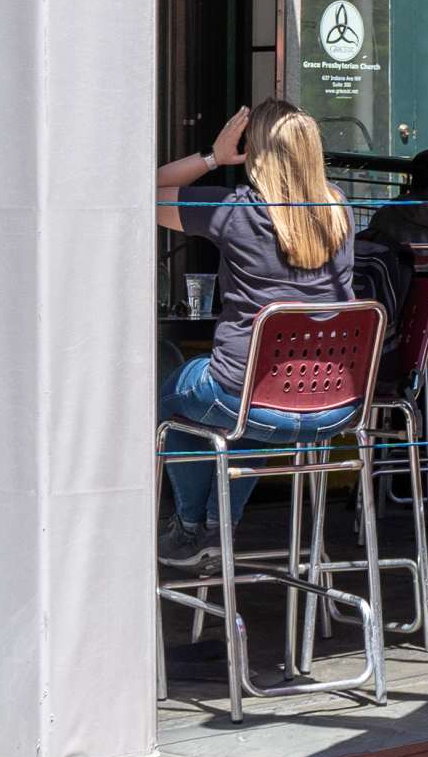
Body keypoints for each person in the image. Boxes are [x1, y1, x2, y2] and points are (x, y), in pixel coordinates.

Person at [152, 104, 358, 580]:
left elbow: (136, 192)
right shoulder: (341, 209)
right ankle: (217, 526)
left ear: (256, 151)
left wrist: (212, 156)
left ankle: (191, 529)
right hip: (335, 405)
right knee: (261, 396)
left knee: (174, 392)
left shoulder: (235, 210)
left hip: (250, 398)